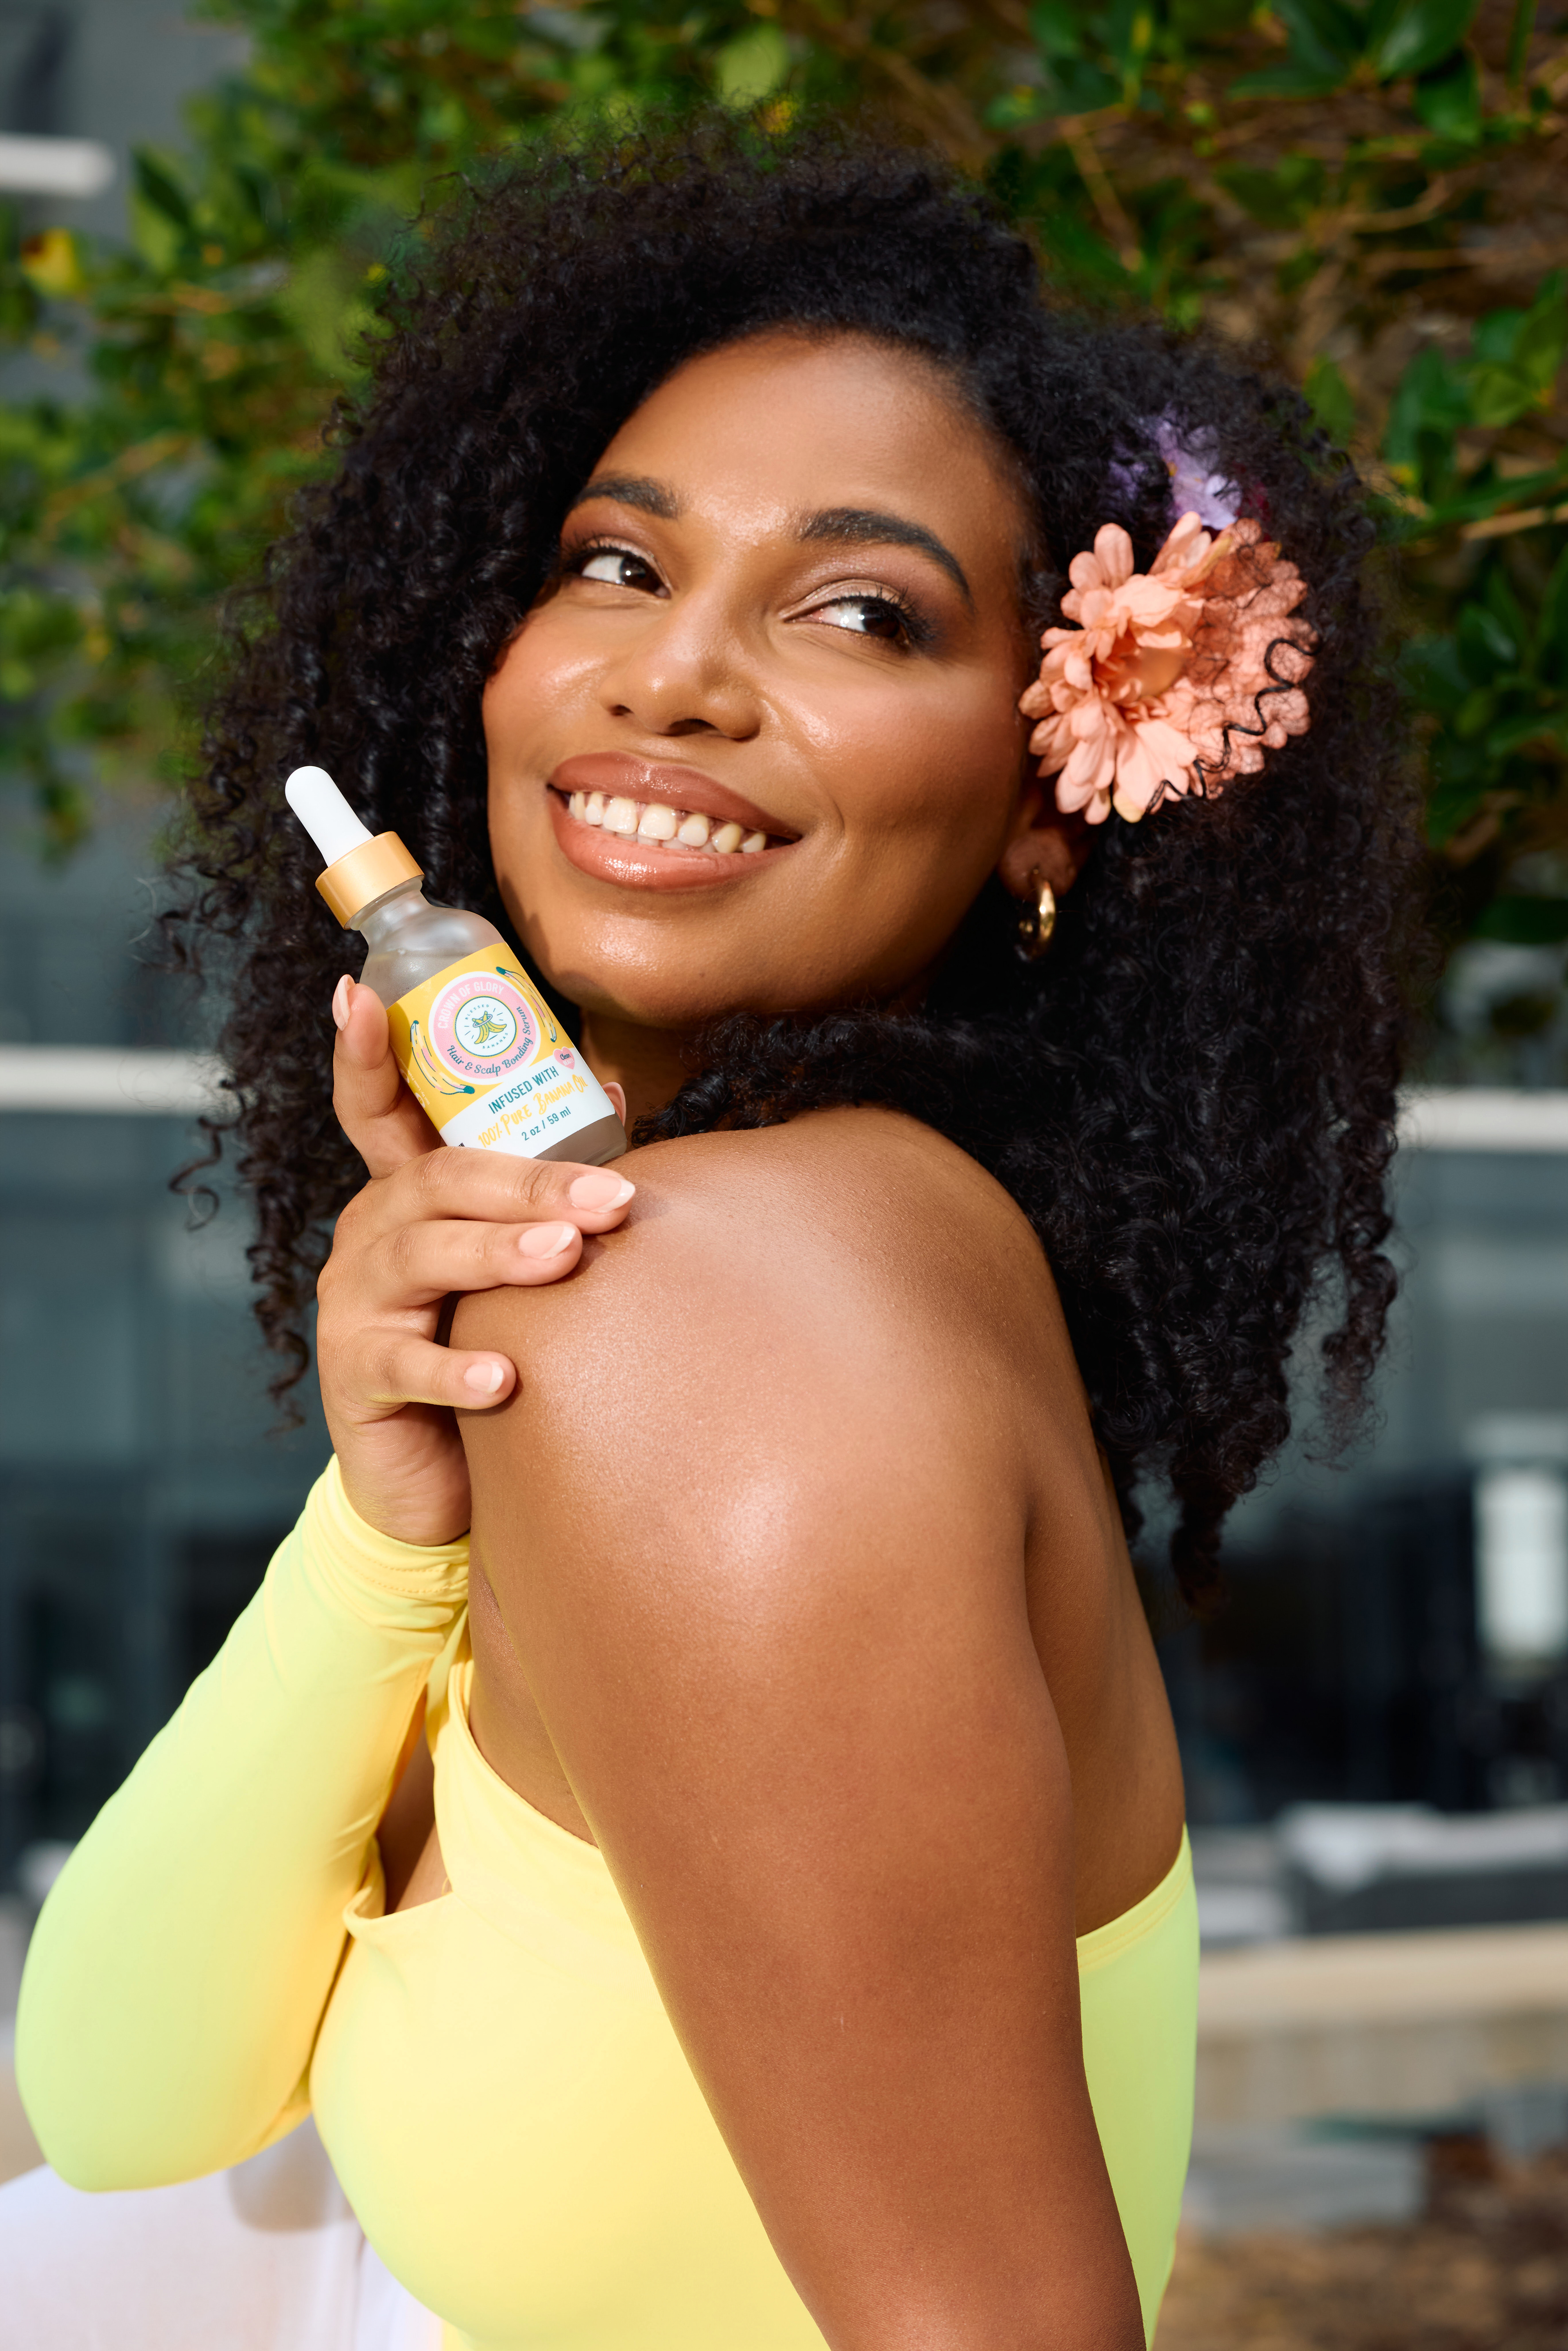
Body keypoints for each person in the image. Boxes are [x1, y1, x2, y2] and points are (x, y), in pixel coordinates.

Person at [7, 115, 1411, 2351]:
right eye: (617, 565)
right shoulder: (703, 1273)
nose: (674, 680)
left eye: (863, 608)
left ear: (1053, 790)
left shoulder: (724, 1308)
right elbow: (121, 2093)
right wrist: (383, 1522)